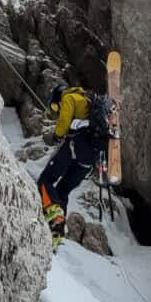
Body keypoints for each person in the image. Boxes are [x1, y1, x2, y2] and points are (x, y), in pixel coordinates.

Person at [37, 83, 106, 244]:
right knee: (63, 190)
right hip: (90, 158)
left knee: (45, 180)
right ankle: (57, 231)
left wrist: (57, 134)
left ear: (58, 97)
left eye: (55, 106)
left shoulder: (68, 97)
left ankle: (55, 217)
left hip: (76, 145)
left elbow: (64, 120)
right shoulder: (88, 103)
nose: (56, 109)